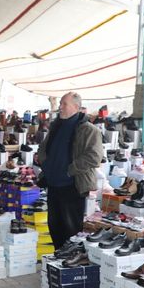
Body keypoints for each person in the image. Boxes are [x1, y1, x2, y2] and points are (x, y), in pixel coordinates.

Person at [37, 92, 102, 249]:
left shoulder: (89, 130)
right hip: (53, 185)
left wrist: (69, 170)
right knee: (55, 227)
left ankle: (71, 264)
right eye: (60, 103)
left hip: (72, 186)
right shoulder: (56, 127)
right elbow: (43, 148)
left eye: (64, 104)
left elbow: (94, 157)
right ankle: (59, 261)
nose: (60, 107)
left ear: (76, 107)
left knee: (71, 229)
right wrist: (44, 163)